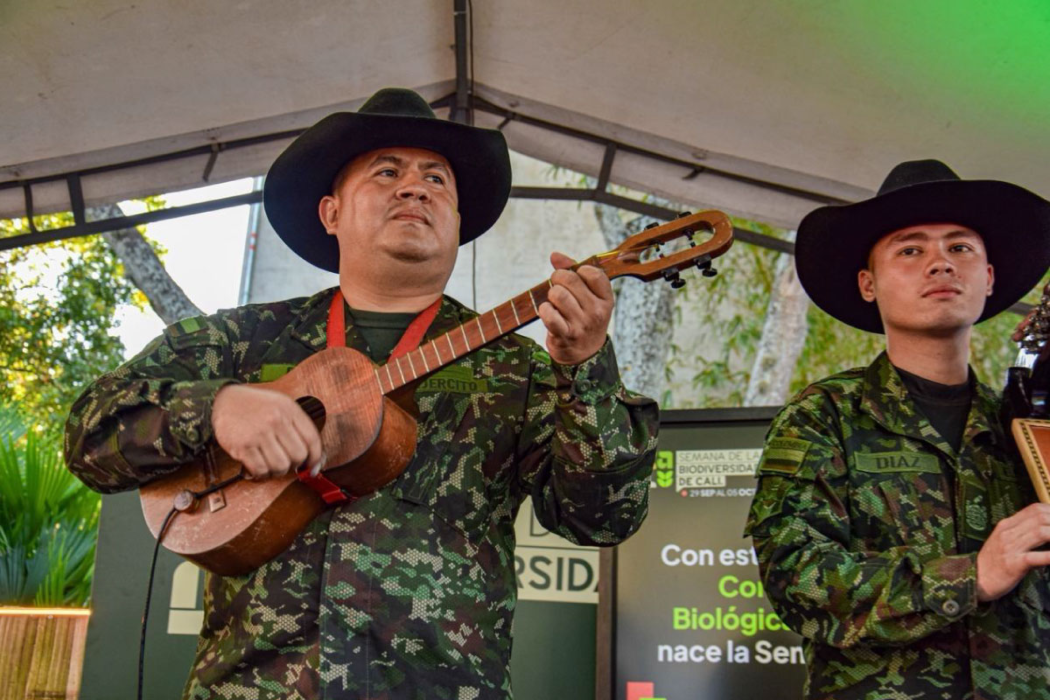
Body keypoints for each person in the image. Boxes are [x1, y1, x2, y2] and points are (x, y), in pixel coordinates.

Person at [65, 88, 658, 699]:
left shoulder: (520, 368)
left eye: (437, 179)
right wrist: (216, 409)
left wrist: (586, 368)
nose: (415, 187)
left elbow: (605, 519)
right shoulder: (239, 343)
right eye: (387, 172)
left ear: (457, 222)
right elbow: (87, 433)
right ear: (331, 213)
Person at [745, 159, 1050, 699]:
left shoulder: (1028, 428)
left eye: (961, 248)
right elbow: (796, 578)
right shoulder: (826, 416)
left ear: (990, 278)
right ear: (869, 283)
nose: (940, 263)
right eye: (910, 250)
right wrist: (969, 575)